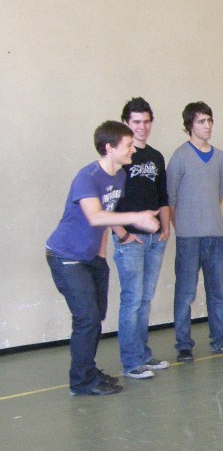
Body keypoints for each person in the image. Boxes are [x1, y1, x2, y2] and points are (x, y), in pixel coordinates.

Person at [46, 121, 161, 396]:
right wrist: (136, 218)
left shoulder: (119, 175)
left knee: (95, 317)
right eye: (128, 145)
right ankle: (81, 381)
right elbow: (95, 215)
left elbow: (107, 216)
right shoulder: (87, 177)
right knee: (86, 319)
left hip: (91, 257)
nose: (133, 149)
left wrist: (104, 249)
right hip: (66, 256)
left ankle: (87, 370)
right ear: (109, 148)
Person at [166, 101, 223, 362]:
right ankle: (183, 344)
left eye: (209, 120)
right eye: (201, 121)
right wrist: (182, 227)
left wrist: (207, 219)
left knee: (217, 291)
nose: (207, 125)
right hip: (188, 237)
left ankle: (220, 339)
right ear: (190, 125)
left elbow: (219, 193)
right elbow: (171, 198)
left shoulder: (220, 157)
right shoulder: (180, 156)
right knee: (186, 293)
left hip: (215, 235)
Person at [110, 97, 172, 380]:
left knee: (145, 300)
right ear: (126, 123)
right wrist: (122, 234)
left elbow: (162, 196)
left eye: (147, 122)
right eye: (136, 122)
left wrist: (165, 228)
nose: (142, 127)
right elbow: (108, 201)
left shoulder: (156, 157)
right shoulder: (121, 157)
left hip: (154, 239)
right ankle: (131, 362)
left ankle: (143, 355)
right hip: (130, 240)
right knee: (132, 300)